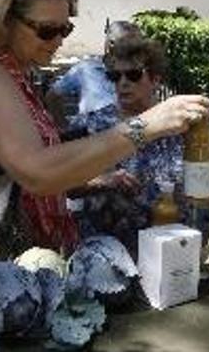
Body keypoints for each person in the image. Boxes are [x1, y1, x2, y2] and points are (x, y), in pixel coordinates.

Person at [0, 0, 208, 279]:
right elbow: (37, 174)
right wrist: (145, 126)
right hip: (1, 269)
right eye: (47, 30)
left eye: (65, 28)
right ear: (4, 22)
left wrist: (100, 180)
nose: (60, 40)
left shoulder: (14, 77)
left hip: (30, 262)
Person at [69, 37, 184, 255]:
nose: (123, 82)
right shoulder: (90, 125)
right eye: (115, 76)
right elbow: (62, 186)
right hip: (108, 253)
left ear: (155, 79)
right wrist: (103, 181)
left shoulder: (178, 125)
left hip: (170, 244)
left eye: (133, 75)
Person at [45, 20, 141, 131]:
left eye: (135, 46)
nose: (132, 51)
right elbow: (52, 95)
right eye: (127, 45)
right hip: (88, 141)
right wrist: (62, 127)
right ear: (111, 44)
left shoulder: (140, 73)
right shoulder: (86, 68)